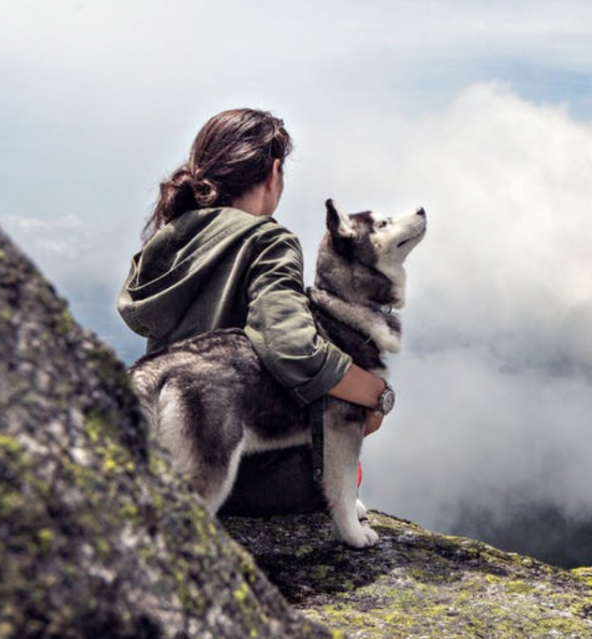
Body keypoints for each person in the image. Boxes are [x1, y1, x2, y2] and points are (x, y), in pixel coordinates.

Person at [117, 108, 389, 514]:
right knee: (347, 463)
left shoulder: (168, 240)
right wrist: (375, 393)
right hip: (244, 476)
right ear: (274, 171)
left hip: (169, 463)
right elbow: (291, 345)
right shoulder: (267, 240)